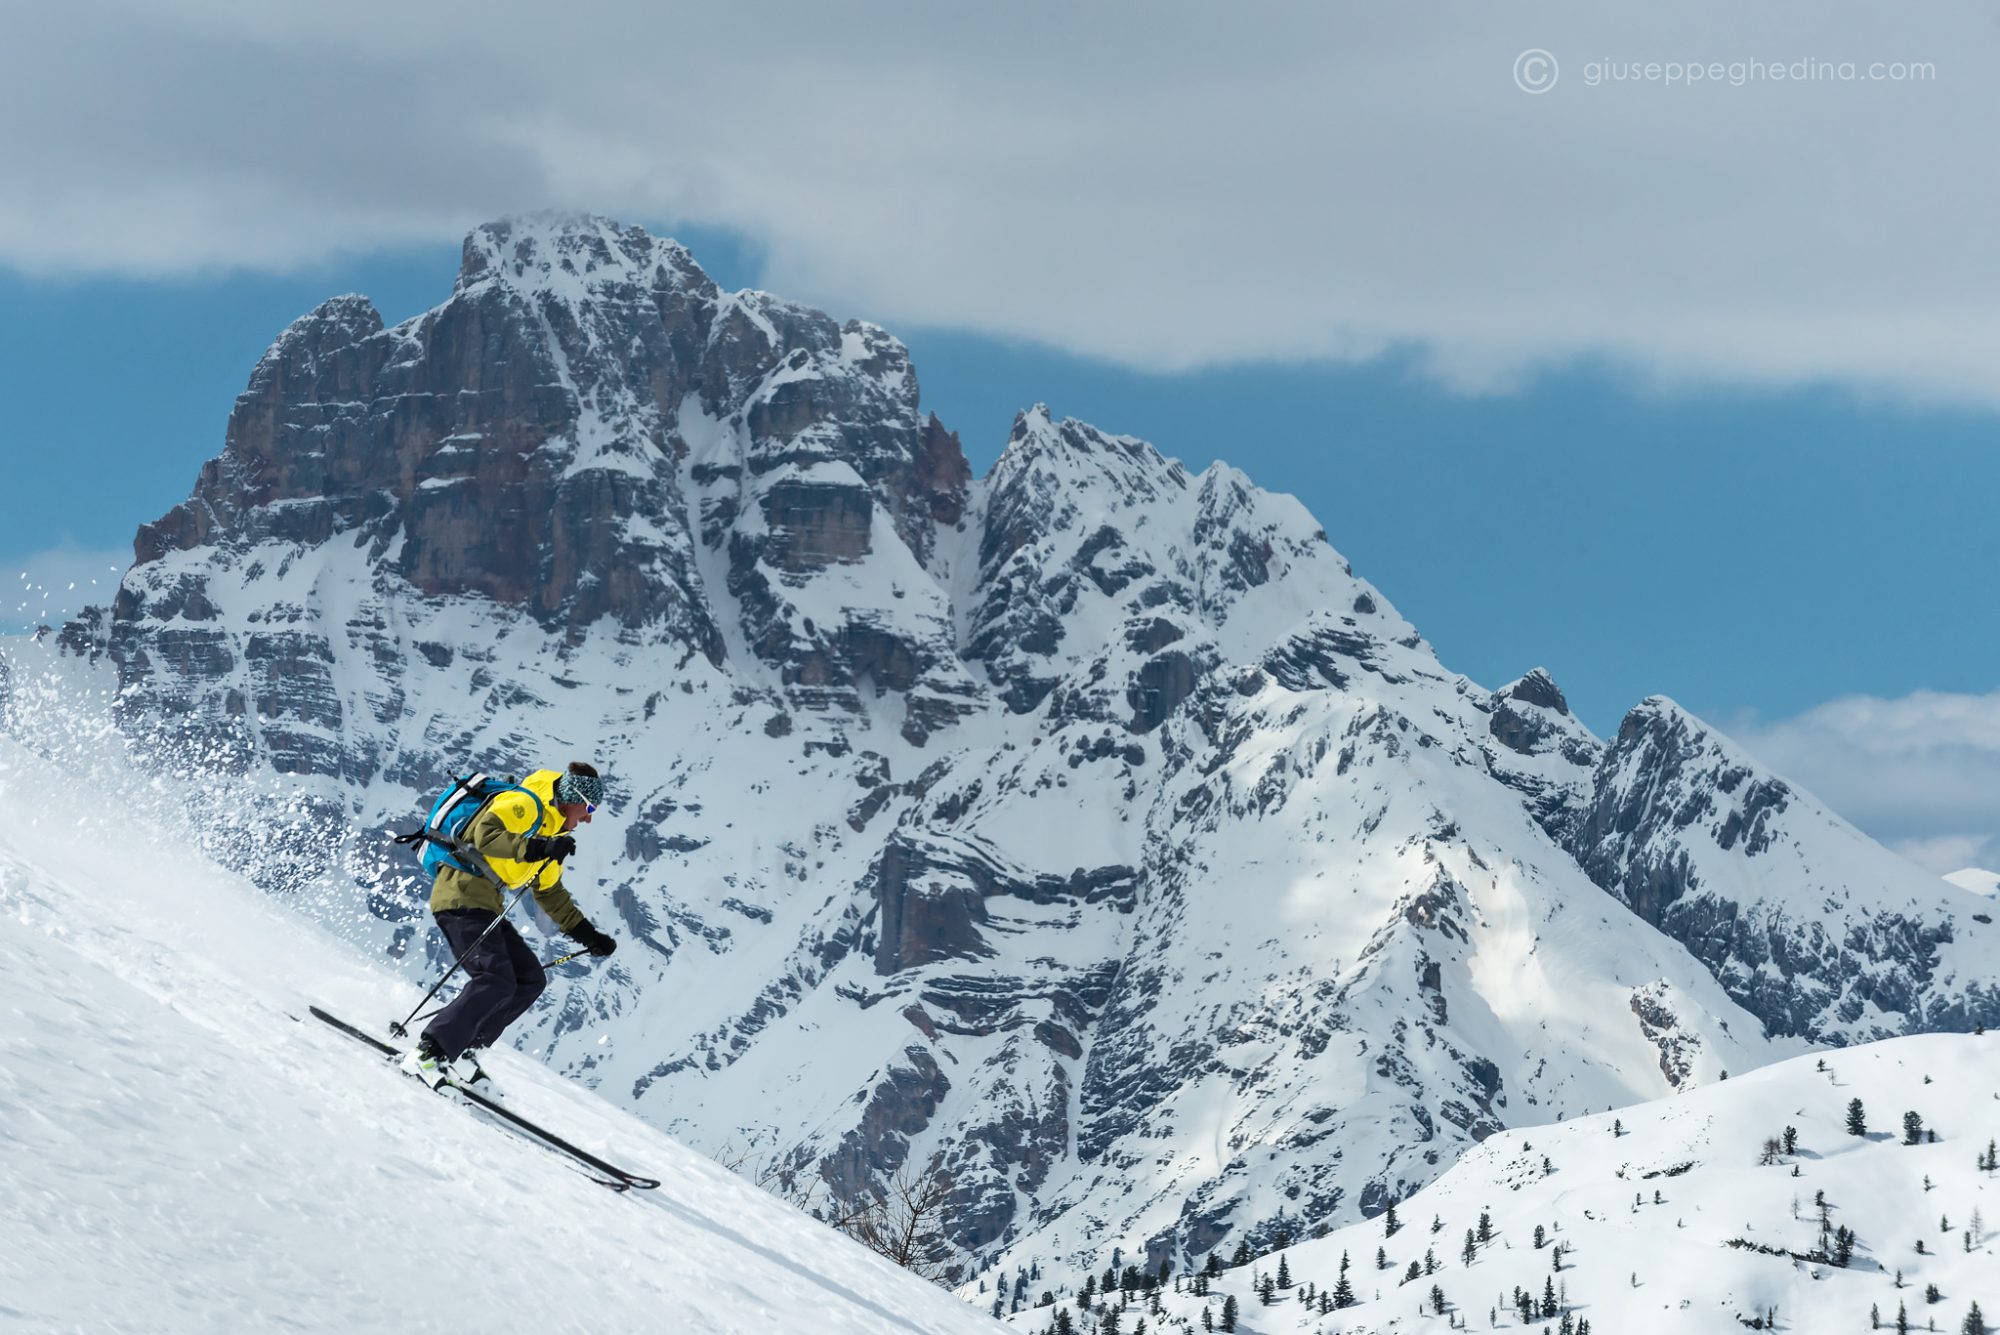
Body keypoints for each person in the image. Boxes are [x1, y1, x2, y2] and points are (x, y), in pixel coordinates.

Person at [400, 760, 617, 1089]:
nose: (588, 817)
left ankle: (468, 1052)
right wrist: (540, 847)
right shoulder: (526, 804)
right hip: (459, 895)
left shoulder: (552, 830)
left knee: (529, 979)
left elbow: (549, 892)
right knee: (495, 979)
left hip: (484, 904)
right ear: (571, 797)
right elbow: (485, 834)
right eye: (588, 808)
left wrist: (588, 935)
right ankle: (428, 1053)